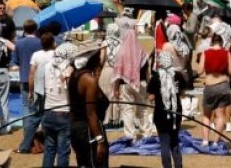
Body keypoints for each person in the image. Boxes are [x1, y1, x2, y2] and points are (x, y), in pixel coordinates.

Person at [68, 40, 110, 168]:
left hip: (76, 129)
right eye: (98, 56)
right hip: (89, 130)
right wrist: (100, 140)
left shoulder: (74, 76)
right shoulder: (89, 80)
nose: (100, 58)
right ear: (91, 58)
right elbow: (91, 113)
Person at [42, 43, 79, 167]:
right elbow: (70, 91)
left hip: (48, 111)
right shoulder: (69, 68)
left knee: (49, 149)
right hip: (63, 113)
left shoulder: (47, 66)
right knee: (63, 151)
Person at [112, 27, 153, 140]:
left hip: (124, 85)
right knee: (143, 109)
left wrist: (115, 89)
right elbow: (147, 72)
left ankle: (130, 135)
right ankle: (146, 133)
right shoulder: (142, 52)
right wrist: (150, 87)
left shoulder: (120, 53)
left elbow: (117, 74)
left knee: (127, 110)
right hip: (141, 84)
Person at [19, 31, 55, 154]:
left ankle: (25, 146)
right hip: (52, 90)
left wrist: (30, 91)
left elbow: (31, 75)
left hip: (38, 90)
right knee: (52, 117)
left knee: (34, 119)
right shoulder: (55, 55)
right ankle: (51, 144)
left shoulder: (36, 55)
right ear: (52, 43)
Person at [197, 33, 231, 147]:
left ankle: (205, 140)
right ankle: (216, 142)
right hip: (223, 85)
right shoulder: (226, 53)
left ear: (212, 42)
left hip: (210, 85)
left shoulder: (206, 53)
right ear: (221, 43)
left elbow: (199, 71)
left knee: (206, 115)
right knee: (220, 115)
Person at [147, 51, 183, 168]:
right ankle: (178, 165)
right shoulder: (178, 75)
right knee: (175, 141)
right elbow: (182, 93)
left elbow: (151, 97)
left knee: (164, 143)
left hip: (161, 114)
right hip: (176, 113)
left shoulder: (156, 77)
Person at [12, 20, 42, 148]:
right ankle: (36, 135)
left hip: (24, 78)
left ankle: (27, 134)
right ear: (35, 29)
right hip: (39, 79)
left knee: (26, 107)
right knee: (40, 107)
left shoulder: (19, 43)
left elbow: (15, 62)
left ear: (24, 29)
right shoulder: (40, 42)